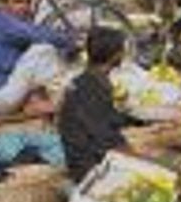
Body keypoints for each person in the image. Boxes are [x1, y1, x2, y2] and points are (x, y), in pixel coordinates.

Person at [57, 26, 134, 182]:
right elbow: (105, 141)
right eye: (122, 50)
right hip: (90, 168)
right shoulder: (90, 88)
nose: (124, 55)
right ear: (115, 54)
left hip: (95, 156)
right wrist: (142, 161)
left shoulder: (90, 80)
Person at [0, 0, 74, 116]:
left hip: (7, 92)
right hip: (0, 95)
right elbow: (43, 35)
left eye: (28, 2)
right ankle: (60, 101)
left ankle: (36, 101)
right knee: (42, 50)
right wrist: (70, 39)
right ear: (2, 4)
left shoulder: (15, 24)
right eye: (18, 2)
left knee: (45, 54)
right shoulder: (1, 22)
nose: (24, 7)